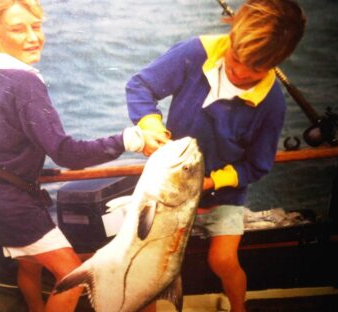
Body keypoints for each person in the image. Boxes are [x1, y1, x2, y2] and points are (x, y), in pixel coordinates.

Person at [0, 1, 166, 311]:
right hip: (12, 201)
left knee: (30, 264)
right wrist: (129, 139)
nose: (32, 37)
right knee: (72, 276)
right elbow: (67, 153)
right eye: (18, 29)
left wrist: (0, 146)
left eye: (36, 27)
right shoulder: (26, 83)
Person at [126, 0, 306, 311]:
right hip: (173, 190)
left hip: (225, 195)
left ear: (277, 62)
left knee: (222, 259)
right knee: (150, 261)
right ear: (231, 31)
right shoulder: (196, 52)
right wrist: (150, 124)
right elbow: (141, 85)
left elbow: (256, 165)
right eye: (235, 58)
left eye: (254, 70)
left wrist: (209, 182)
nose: (238, 72)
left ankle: (239, 306)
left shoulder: (272, 104)